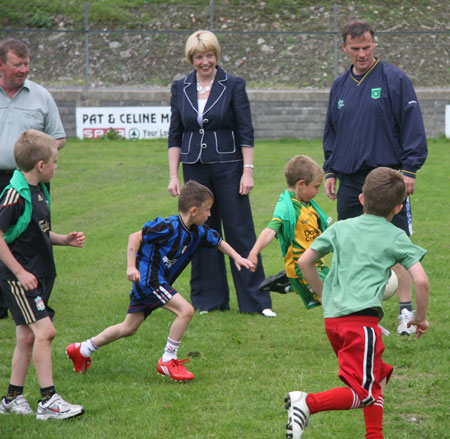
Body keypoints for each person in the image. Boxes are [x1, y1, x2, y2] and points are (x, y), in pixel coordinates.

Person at [284, 167, 430, 439]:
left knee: (377, 378)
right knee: (361, 393)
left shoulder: (340, 227)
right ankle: (306, 403)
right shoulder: (395, 236)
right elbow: (420, 281)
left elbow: (304, 261)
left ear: (362, 198)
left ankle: (374, 435)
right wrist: (419, 318)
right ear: (398, 208)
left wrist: (323, 293)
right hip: (360, 325)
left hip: (334, 321)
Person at [66, 180, 254, 381]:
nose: (209, 215)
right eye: (207, 210)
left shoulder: (198, 232)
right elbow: (134, 237)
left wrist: (237, 258)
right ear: (193, 211)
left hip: (154, 282)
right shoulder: (168, 226)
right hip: (149, 280)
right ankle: (167, 359)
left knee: (129, 327)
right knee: (186, 310)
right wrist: (131, 266)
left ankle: (82, 349)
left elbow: (219, 242)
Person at [322, 21, 428, 336]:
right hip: (350, 181)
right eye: (355, 49)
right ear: (344, 48)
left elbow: (412, 126)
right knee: (351, 247)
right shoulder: (339, 86)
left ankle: (406, 314)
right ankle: (364, 316)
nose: (361, 54)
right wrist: (330, 169)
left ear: (374, 44)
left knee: (396, 245)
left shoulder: (395, 80)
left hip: (388, 178)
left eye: (366, 47)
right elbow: (332, 132)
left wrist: (408, 170)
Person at [167, 30, 275, 317]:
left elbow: (245, 130)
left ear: (217, 55)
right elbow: (174, 135)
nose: (205, 61)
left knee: (240, 230)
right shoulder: (180, 88)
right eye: (199, 56)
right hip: (194, 169)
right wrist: (173, 175)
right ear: (191, 58)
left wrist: (247, 171)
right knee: (201, 231)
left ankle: (256, 301)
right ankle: (208, 300)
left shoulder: (234, 85)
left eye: (210, 55)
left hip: (230, 168)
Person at [0, 130, 85, 419]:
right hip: (20, 278)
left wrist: (64, 240)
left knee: (26, 337)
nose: (56, 166)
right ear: (40, 165)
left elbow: (36, 232)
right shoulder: (14, 195)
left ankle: (12, 399)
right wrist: (20, 272)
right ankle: (48, 401)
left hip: (39, 275)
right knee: (45, 332)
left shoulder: (39, 190)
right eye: (54, 161)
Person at [0, 39, 66, 319]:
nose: (24, 69)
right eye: (18, 64)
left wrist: (37, 153)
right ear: (1, 65)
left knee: (28, 236)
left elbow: (59, 137)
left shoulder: (41, 96)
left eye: (27, 64)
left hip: (29, 179)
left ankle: (27, 293)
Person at [248, 155, 329, 310]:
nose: (318, 191)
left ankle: (287, 285)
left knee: (336, 294)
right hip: (302, 268)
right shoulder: (286, 207)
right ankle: (290, 284)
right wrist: (254, 251)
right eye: (316, 187)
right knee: (333, 299)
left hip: (317, 263)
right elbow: (271, 230)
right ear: (301, 185)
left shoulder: (307, 204)